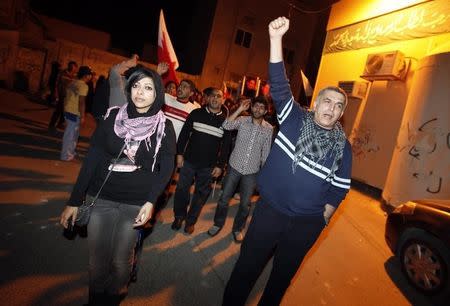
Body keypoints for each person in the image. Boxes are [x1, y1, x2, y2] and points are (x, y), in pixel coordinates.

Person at [222, 17, 352, 306]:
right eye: (327, 101)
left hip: (306, 224)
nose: (332, 107)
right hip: (271, 212)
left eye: (338, 105)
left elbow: (340, 188)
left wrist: (323, 217)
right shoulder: (293, 119)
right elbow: (279, 85)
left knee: (281, 278)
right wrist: (275, 38)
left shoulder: (344, 146)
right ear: (316, 104)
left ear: (341, 113)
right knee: (246, 269)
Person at [59, 65, 176, 305]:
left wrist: (151, 201)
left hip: (135, 203)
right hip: (101, 197)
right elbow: (92, 158)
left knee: (121, 262)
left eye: (148, 88)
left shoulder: (164, 127)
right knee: (97, 260)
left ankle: (112, 298)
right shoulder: (113, 117)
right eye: (135, 86)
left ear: (157, 94)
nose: (140, 93)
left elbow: (166, 167)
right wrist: (74, 200)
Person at [207, 96, 273, 243]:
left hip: (252, 172)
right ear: (251, 107)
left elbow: (266, 153)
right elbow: (226, 125)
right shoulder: (242, 120)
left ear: (266, 111)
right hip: (234, 166)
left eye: (262, 107)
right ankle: (218, 224)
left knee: (245, 204)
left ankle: (237, 228)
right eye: (256, 106)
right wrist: (239, 109)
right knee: (224, 198)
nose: (258, 109)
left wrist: (264, 175)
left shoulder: (269, 129)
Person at [172, 87, 231, 234]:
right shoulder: (196, 113)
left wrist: (220, 166)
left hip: (208, 166)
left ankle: (191, 221)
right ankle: (179, 216)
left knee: (201, 194)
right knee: (181, 189)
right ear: (207, 98)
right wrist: (179, 154)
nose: (215, 99)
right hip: (189, 161)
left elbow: (226, 147)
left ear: (222, 100)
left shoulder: (225, 122)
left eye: (218, 96)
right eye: (212, 96)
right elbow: (184, 134)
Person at [60, 66, 93, 161]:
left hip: (68, 110)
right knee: (71, 135)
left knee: (72, 135)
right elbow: (81, 102)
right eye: (90, 75)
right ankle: (66, 155)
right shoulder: (83, 86)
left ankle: (71, 153)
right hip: (74, 113)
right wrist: (82, 115)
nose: (90, 77)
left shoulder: (73, 82)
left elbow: (66, 97)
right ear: (86, 76)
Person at [48, 61, 78, 132]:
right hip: (62, 95)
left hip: (69, 97)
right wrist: (56, 93)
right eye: (72, 66)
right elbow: (57, 84)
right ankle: (52, 124)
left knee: (65, 111)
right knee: (58, 110)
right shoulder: (62, 73)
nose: (73, 68)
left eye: (74, 67)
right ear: (69, 66)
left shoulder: (75, 76)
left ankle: (60, 123)